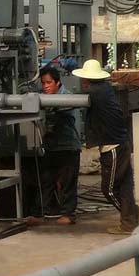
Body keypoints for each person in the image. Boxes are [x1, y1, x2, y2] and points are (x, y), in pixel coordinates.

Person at [72, 59, 139, 234]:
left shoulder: (95, 93)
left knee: (108, 189)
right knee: (124, 186)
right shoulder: (105, 89)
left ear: (86, 79)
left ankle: (130, 218)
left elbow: (75, 99)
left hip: (113, 147)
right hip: (120, 144)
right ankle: (129, 219)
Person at [38, 65, 81, 225]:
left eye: (49, 83)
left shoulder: (66, 97)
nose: (46, 86)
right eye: (43, 83)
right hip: (51, 146)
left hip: (68, 146)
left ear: (57, 82)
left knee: (68, 181)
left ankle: (68, 214)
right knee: (46, 180)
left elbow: (63, 110)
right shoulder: (43, 96)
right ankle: (44, 211)